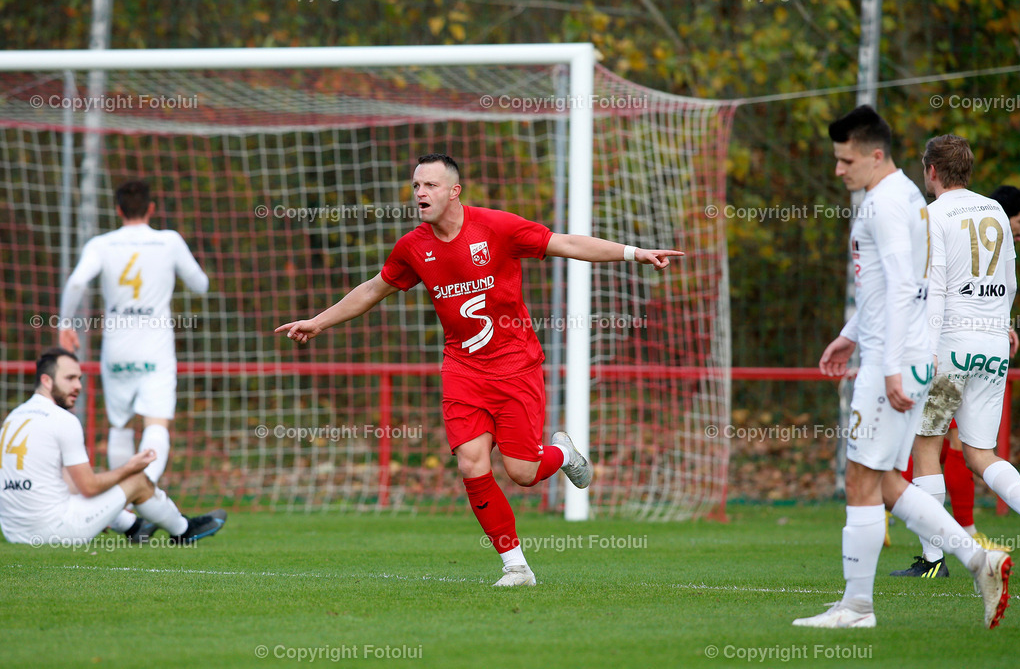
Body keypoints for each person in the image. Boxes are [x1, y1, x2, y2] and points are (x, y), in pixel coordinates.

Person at [276, 153, 684, 586]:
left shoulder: (496, 227)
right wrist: (318, 321)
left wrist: (633, 253)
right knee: (471, 464)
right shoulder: (414, 246)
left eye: (430, 186)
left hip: (516, 367)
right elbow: (375, 288)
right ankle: (516, 566)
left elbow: (565, 243)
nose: (420, 194)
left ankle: (562, 453)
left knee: (523, 473)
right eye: (416, 186)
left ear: (454, 191)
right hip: (462, 370)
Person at [793, 108, 1011, 629]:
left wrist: (888, 367)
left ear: (875, 154)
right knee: (886, 479)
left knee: (861, 478)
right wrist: (849, 337)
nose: (839, 170)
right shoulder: (908, 198)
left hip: (897, 358)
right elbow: (888, 286)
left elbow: (901, 287)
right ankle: (978, 559)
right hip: (910, 352)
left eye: (846, 160)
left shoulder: (887, 204)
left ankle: (857, 608)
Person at [891, 139, 1020, 580]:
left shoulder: (931, 217)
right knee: (981, 453)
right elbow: (1008, 281)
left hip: (950, 344)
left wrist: (925, 354)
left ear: (931, 170)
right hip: (992, 344)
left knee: (927, 442)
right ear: (967, 170)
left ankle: (933, 561)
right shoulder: (996, 213)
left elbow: (936, 291)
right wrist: (1004, 328)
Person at [58, 181, 209, 484]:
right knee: (156, 423)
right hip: (155, 347)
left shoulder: (101, 244)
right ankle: (142, 492)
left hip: (117, 348)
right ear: (151, 208)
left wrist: (65, 324)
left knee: (120, 425)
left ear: (118, 210)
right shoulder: (169, 241)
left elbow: (75, 283)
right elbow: (201, 285)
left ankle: (122, 505)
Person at [0, 348, 225, 545]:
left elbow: (71, 485)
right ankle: (184, 531)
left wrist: (103, 510)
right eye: (70, 378)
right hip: (54, 531)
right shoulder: (62, 419)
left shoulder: (13, 418)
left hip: (13, 532)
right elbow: (88, 488)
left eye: (79, 378)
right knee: (136, 480)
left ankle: (135, 527)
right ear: (47, 381)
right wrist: (129, 468)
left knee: (80, 486)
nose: (78, 386)